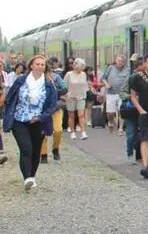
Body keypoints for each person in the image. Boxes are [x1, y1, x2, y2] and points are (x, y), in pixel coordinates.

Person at [2, 55, 60, 190]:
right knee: (26, 148)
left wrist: (41, 117)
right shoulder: (21, 81)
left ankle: (32, 177)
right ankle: (27, 178)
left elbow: (52, 105)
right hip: (19, 120)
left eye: (42, 65)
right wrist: (8, 111)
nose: (40, 66)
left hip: (38, 121)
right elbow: (10, 98)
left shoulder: (49, 85)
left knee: (35, 151)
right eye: (37, 64)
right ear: (31, 66)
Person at [39, 60, 66, 164]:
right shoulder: (37, 80)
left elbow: (64, 88)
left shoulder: (56, 77)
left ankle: (55, 149)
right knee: (43, 133)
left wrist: (56, 92)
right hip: (43, 110)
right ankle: (43, 154)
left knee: (58, 130)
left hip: (56, 108)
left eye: (48, 70)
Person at [102, 53, 131, 133]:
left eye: (122, 61)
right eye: (119, 61)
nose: (120, 62)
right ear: (115, 60)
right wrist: (107, 84)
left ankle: (120, 128)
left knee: (121, 111)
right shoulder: (110, 68)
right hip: (111, 93)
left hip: (122, 93)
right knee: (110, 113)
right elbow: (103, 78)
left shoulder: (127, 69)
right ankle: (110, 122)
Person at [64, 58, 90, 139]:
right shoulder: (69, 74)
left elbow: (85, 85)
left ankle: (83, 132)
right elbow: (64, 86)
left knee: (81, 115)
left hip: (81, 97)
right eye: (81, 65)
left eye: (83, 66)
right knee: (71, 116)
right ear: (75, 65)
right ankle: (72, 132)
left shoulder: (84, 74)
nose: (82, 67)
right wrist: (66, 95)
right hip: (71, 97)